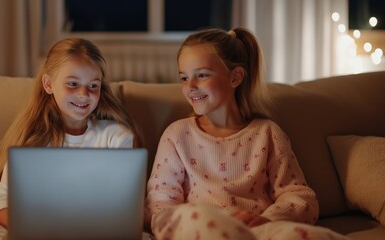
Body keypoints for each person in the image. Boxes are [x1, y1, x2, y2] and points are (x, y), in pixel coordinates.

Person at [144, 28, 349, 240]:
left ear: (236, 77)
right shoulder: (177, 135)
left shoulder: (267, 133)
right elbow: (160, 201)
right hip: (202, 231)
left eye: (202, 75)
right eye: (184, 78)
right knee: (195, 218)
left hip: (259, 231)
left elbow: (300, 197)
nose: (190, 86)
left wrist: (269, 219)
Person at [0, 38, 137, 240]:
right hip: (37, 232)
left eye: (93, 86)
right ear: (48, 84)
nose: (83, 94)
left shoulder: (115, 137)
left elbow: (122, 203)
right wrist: (24, 225)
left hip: (91, 232)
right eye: (72, 84)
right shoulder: (34, 140)